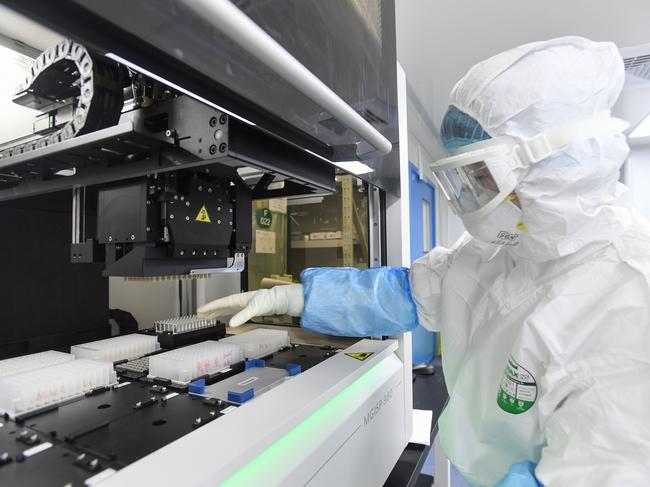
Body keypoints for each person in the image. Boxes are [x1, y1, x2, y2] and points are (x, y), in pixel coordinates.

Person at [199, 37, 650, 486]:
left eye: (481, 176)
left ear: (557, 167)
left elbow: (603, 471)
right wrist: (287, 296)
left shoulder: (628, 298)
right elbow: (401, 294)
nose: (469, 200)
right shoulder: (504, 248)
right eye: (463, 178)